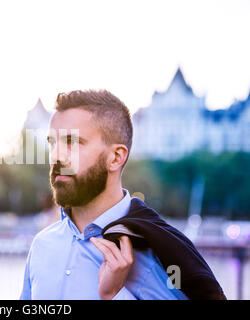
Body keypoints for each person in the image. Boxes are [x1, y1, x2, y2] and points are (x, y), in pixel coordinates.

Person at [20, 89, 223, 300]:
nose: (57, 156)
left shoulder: (160, 254)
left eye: (73, 142)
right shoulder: (42, 245)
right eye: (53, 143)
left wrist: (114, 295)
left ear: (116, 157)